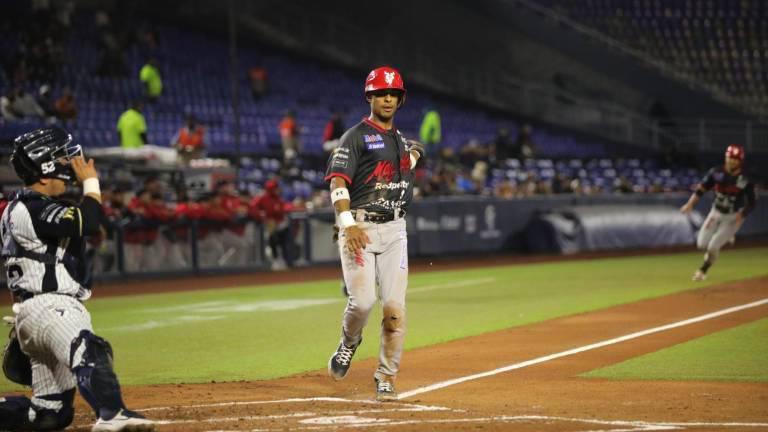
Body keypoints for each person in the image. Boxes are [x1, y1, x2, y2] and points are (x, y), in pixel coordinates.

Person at [0, 127, 155, 431]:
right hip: (51, 309)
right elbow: (89, 221)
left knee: (50, 414)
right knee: (89, 347)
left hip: (33, 313)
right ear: (44, 170)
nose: (69, 164)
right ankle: (113, 413)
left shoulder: (21, 207)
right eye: (60, 158)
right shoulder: (31, 206)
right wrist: (91, 183)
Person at [324, 66, 423, 401]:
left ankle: (386, 376)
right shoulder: (354, 136)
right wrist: (347, 223)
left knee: (394, 309)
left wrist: (414, 153)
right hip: (360, 228)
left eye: (394, 94)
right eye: (382, 93)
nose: (388, 99)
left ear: (401, 99)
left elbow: (405, 163)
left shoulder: (399, 140)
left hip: (395, 229)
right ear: (370, 96)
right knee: (363, 302)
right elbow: (338, 181)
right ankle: (349, 343)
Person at [680, 144, 756, 281]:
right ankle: (725, 236)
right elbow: (701, 189)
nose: (731, 161)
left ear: (740, 161)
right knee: (701, 244)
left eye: (735, 158)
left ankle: (703, 270)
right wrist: (690, 204)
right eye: (730, 157)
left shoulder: (745, 179)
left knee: (713, 246)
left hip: (733, 216)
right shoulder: (716, 173)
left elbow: (752, 202)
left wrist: (742, 215)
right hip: (716, 212)